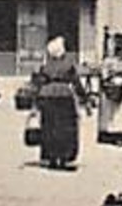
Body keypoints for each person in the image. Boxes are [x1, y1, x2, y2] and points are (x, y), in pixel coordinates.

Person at [31, 37, 86, 169]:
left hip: (47, 96)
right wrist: (83, 96)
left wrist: (35, 100)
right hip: (64, 96)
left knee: (49, 129)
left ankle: (51, 158)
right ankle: (64, 157)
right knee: (65, 130)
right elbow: (76, 81)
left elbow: (37, 83)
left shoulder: (45, 66)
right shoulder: (68, 64)